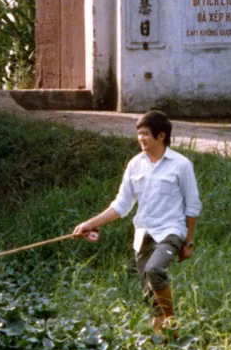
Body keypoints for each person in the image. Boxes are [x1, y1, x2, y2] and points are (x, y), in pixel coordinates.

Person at [73, 110, 201, 337]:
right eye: (139, 134)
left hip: (172, 231)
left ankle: (172, 325)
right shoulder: (135, 165)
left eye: (145, 134)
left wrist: (188, 243)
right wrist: (89, 224)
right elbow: (121, 205)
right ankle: (162, 341)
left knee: (155, 269)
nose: (141, 139)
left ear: (161, 136)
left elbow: (192, 206)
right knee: (148, 291)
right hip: (143, 233)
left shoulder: (181, 165)